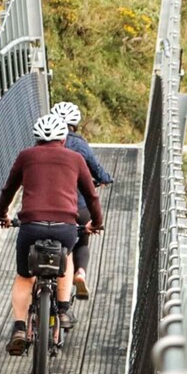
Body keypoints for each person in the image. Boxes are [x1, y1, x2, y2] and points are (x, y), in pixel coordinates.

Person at [0, 114, 104, 356]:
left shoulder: (26, 157)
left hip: (30, 225)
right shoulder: (76, 159)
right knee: (67, 258)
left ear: (36, 140)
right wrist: (96, 223)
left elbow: (8, 189)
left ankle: (20, 329)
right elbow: (92, 195)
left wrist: (2, 214)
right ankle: (63, 309)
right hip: (65, 226)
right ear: (64, 138)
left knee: (24, 276)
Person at [49, 101, 114, 300]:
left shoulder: (42, 144)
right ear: (74, 124)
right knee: (81, 242)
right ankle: (80, 273)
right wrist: (105, 179)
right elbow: (98, 170)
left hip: (47, 207)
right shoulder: (80, 145)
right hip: (78, 207)